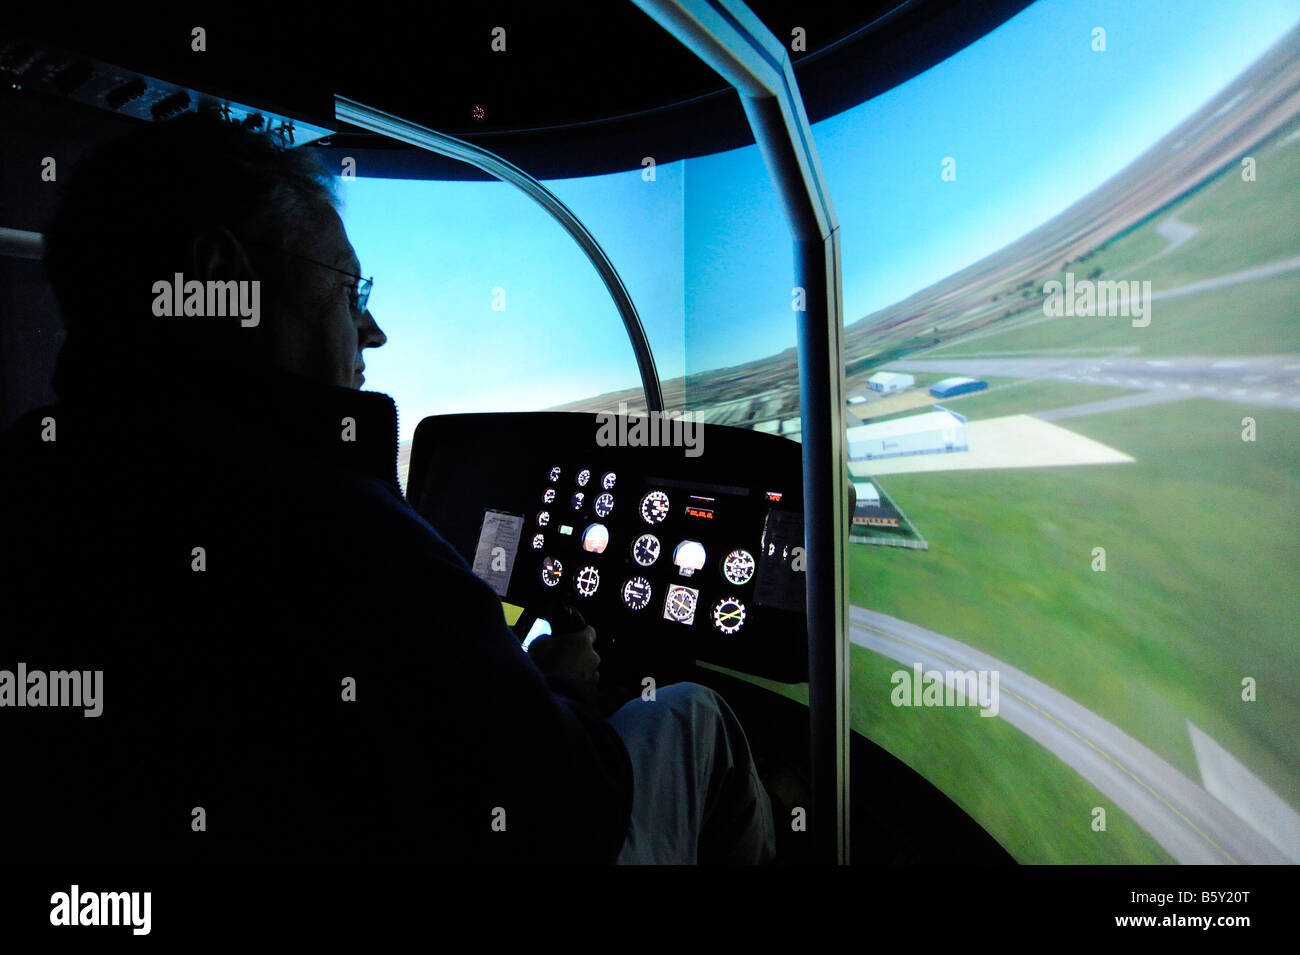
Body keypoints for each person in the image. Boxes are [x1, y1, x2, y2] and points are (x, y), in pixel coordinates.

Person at [0, 113, 773, 864]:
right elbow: (566, 810)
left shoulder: (42, 475)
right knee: (696, 714)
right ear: (220, 280)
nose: (373, 333)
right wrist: (563, 688)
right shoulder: (330, 530)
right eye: (347, 291)